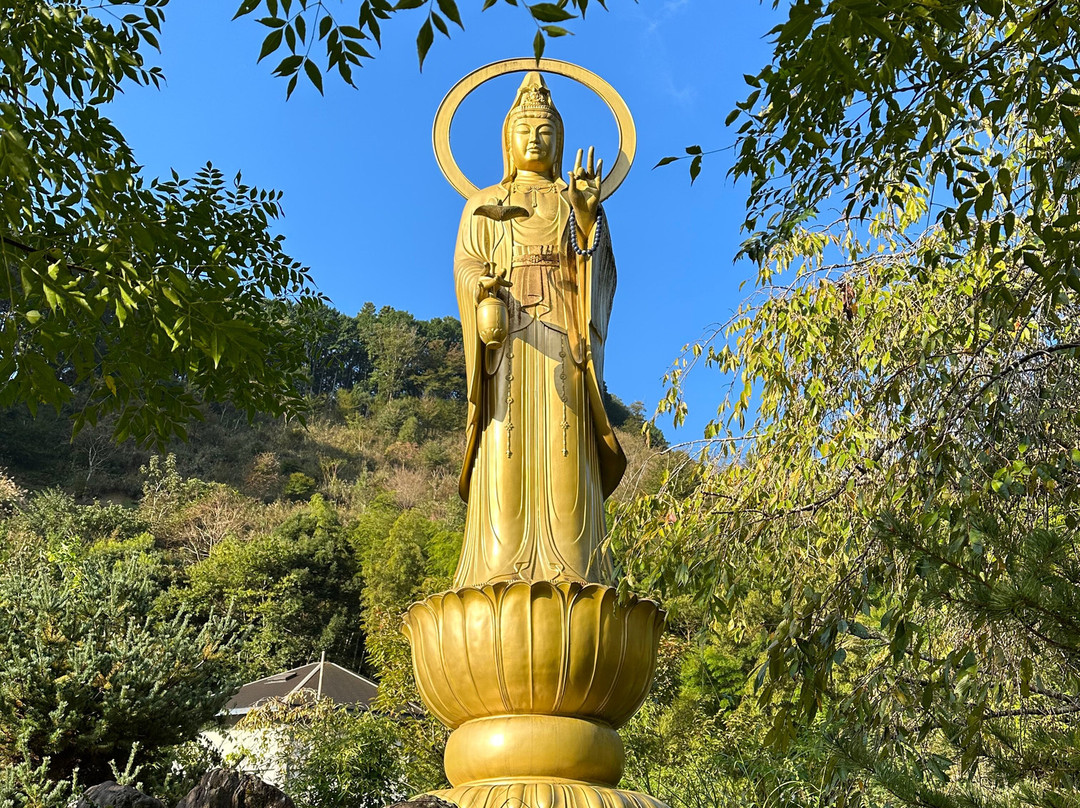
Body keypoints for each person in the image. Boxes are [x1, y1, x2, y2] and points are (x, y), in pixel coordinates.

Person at [452, 71, 626, 588]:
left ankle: (577, 567)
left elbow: (604, 273)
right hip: (507, 342)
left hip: (562, 335)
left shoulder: (574, 201)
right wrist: (481, 287)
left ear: (560, 142)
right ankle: (498, 565)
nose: (535, 139)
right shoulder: (483, 204)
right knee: (505, 446)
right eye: (525, 129)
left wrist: (588, 220)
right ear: (508, 140)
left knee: (565, 445)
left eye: (545, 131)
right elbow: (466, 263)